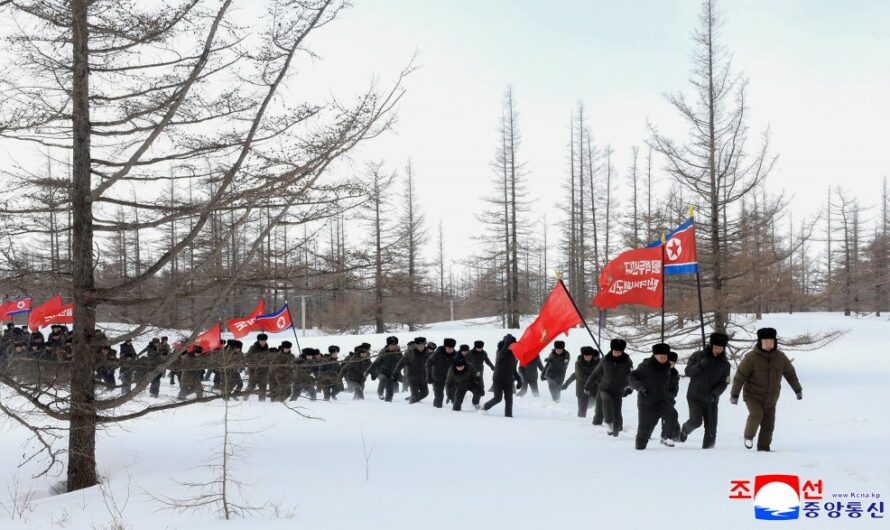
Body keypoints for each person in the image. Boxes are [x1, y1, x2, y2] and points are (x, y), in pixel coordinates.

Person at [729, 327, 802, 452]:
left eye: (771, 341)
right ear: (760, 342)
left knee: (768, 424)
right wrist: (734, 394)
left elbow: (790, 374)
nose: (768, 344)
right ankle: (748, 437)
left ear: (774, 342)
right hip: (753, 396)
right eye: (765, 341)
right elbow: (740, 376)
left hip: (771, 398)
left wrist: (797, 389)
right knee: (757, 414)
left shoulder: (780, 357)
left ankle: (763, 449)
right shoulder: (751, 358)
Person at [679, 332, 731, 448]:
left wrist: (714, 394)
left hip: (711, 399)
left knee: (711, 428)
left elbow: (725, 382)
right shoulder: (698, 356)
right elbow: (688, 372)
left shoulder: (725, 364)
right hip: (694, 396)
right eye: (716, 347)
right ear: (711, 345)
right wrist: (700, 365)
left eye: (720, 348)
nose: (717, 350)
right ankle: (684, 430)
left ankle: (708, 451)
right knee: (696, 422)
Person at [628, 343, 674, 450]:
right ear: (655, 355)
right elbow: (632, 376)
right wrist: (640, 387)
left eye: (665, 356)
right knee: (644, 431)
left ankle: (665, 437)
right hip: (646, 402)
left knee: (672, 414)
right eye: (661, 356)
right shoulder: (646, 366)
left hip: (660, 401)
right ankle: (639, 450)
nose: (663, 359)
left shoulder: (666, 367)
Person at [585, 339, 633, 436]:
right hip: (605, 387)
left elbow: (632, 375)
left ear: (622, 351)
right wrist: (587, 386)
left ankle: (618, 427)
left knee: (617, 409)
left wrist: (629, 387)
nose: (616, 353)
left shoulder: (627, 361)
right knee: (606, 401)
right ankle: (609, 424)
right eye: (615, 351)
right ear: (611, 350)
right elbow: (595, 373)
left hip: (619, 389)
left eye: (619, 352)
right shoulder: (605, 359)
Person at [482, 334, 523, 417]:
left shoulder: (513, 356)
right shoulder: (499, 352)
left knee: (509, 400)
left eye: (511, 345)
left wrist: (519, 380)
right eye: (508, 344)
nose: (510, 346)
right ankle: (484, 407)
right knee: (498, 398)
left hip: (508, 381)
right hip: (498, 380)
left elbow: (513, 369)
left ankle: (508, 416)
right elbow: (503, 354)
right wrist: (507, 343)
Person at [563, 346, 600, 417]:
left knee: (593, 405)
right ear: (583, 355)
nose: (588, 357)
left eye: (589, 355)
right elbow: (579, 376)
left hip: (594, 390)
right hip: (581, 390)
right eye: (586, 355)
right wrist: (566, 383)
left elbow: (601, 373)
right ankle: (580, 424)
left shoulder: (596, 363)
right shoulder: (578, 363)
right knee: (582, 409)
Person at [393, 337, 429, 403]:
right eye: (419, 345)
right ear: (416, 345)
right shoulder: (410, 353)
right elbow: (401, 363)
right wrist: (396, 372)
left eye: (423, 345)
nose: (421, 347)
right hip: (413, 378)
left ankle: (411, 398)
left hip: (423, 378)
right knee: (415, 396)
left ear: (425, 345)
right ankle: (411, 405)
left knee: (425, 393)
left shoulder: (427, 353)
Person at [368, 336, 402, 402]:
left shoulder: (398, 353)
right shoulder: (383, 352)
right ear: (388, 345)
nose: (393, 346)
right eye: (391, 345)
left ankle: (388, 404)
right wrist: (370, 372)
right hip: (381, 372)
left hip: (391, 374)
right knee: (383, 379)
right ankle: (380, 393)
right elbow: (375, 363)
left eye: (394, 345)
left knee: (390, 392)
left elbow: (402, 363)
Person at [426, 338, 457, 408]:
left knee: (454, 397)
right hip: (437, 378)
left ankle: (455, 413)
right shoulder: (438, 353)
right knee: (439, 397)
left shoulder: (456, 355)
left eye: (452, 348)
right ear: (445, 347)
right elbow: (428, 363)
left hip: (450, 379)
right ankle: (436, 411)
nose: (450, 350)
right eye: (448, 348)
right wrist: (429, 376)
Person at [660, 350, 681, 444]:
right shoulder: (658, 371)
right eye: (668, 362)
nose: (670, 364)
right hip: (656, 399)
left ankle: (675, 435)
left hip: (668, 400)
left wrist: (666, 395)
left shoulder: (675, 375)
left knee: (671, 418)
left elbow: (675, 392)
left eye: (672, 363)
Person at [244, 333, 271, 401]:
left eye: (264, 341)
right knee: (252, 385)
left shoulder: (266, 348)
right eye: (261, 341)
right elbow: (247, 357)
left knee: (263, 386)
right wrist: (255, 362)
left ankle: (261, 401)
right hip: (254, 370)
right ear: (259, 341)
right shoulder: (253, 348)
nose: (263, 342)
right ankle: (245, 395)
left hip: (263, 371)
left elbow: (268, 358)